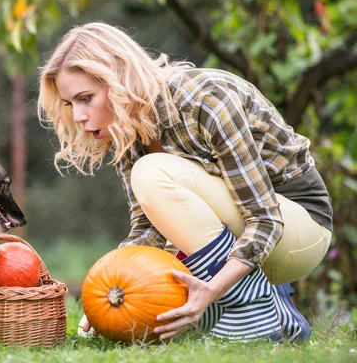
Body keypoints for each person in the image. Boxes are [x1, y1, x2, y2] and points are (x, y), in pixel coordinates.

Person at [36, 22, 332, 342]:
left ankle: (254, 315)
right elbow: (147, 229)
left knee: (151, 172)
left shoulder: (205, 100)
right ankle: (273, 313)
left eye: (85, 98)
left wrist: (211, 291)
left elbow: (265, 219)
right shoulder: (127, 130)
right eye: (70, 103)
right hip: (251, 244)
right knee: (150, 175)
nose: (78, 116)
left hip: (298, 232)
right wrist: (109, 293)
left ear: (119, 80)